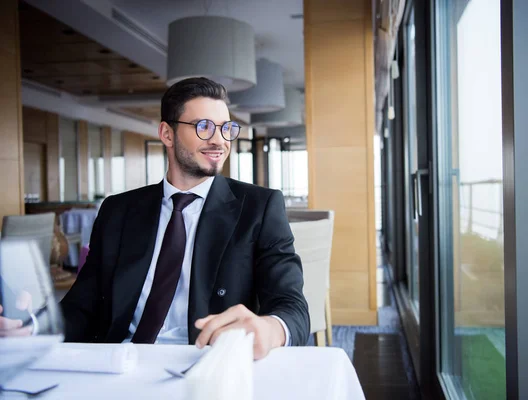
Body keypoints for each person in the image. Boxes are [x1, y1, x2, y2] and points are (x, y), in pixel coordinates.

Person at [0, 77, 309, 359]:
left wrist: (269, 329)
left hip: (204, 363)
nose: (220, 141)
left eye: (226, 128)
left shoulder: (259, 207)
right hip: (119, 361)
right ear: (167, 133)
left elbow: (291, 305)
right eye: (204, 126)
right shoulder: (118, 211)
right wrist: (34, 327)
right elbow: (83, 305)